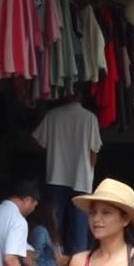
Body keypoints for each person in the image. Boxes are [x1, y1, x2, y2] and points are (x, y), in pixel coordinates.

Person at [32, 93, 103, 254]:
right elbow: (94, 150)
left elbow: (36, 139)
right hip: (81, 179)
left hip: (55, 176)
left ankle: (54, 262)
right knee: (79, 227)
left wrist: (52, 152)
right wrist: (89, 171)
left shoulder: (52, 115)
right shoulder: (89, 118)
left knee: (53, 225)